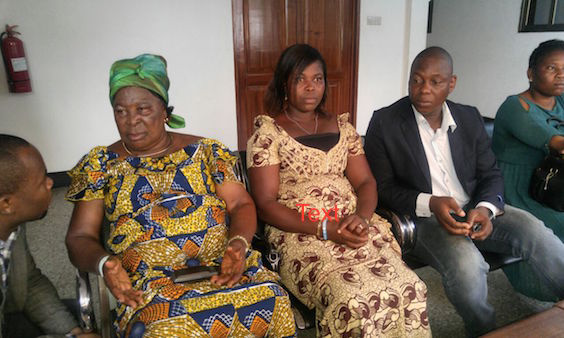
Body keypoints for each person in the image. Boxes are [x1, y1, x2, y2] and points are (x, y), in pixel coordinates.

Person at [65, 54, 296, 337]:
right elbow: (79, 237)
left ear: (164, 110)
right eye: (120, 111)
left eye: (143, 109)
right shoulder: (101, 164)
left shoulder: (207, 152)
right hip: (150, 282)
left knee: (273, 301)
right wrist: (106, 263)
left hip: (224, 265)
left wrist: (237, 245)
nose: (131, 121)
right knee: (163, 328)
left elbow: (240, 203)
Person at [364, 46, 564, 336]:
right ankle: (483, 330)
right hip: (425, 218)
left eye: (435, 81)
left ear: (452, 83)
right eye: (416, 80)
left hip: (474, 207)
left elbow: (490, 174)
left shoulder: (469, 118)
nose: (423, 90)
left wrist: (485, 208)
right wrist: (431, 203)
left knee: (536, 232)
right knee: (468, 266)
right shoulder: (385, 122)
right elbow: (382, 187)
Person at [247, 44, 430, 337]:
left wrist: (362, 217)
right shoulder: (268, 135)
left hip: (353, 224)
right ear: (284, 84)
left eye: (317, 79)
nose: (310, 88)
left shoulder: (344, 128)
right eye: (300, 79)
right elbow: (266, 204)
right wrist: (324, 229)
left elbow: (366, 183)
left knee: (410, 286)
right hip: (301, 231)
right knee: (351, 299)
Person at [0, 134, 95, 337]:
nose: (51, 183)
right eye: (41, 181)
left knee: (69, 313)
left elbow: (29, 283)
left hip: (8, 313)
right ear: (6, 204)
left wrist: (74, 333)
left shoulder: (10, 225)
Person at [492, 39, 564, 301]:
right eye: (552, 68)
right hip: (520, 188)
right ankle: (548, 286)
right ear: (531, 73)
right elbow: (555, 142)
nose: (561, 76)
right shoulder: (515, 106)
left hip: (554, 184)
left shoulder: (561, 101)